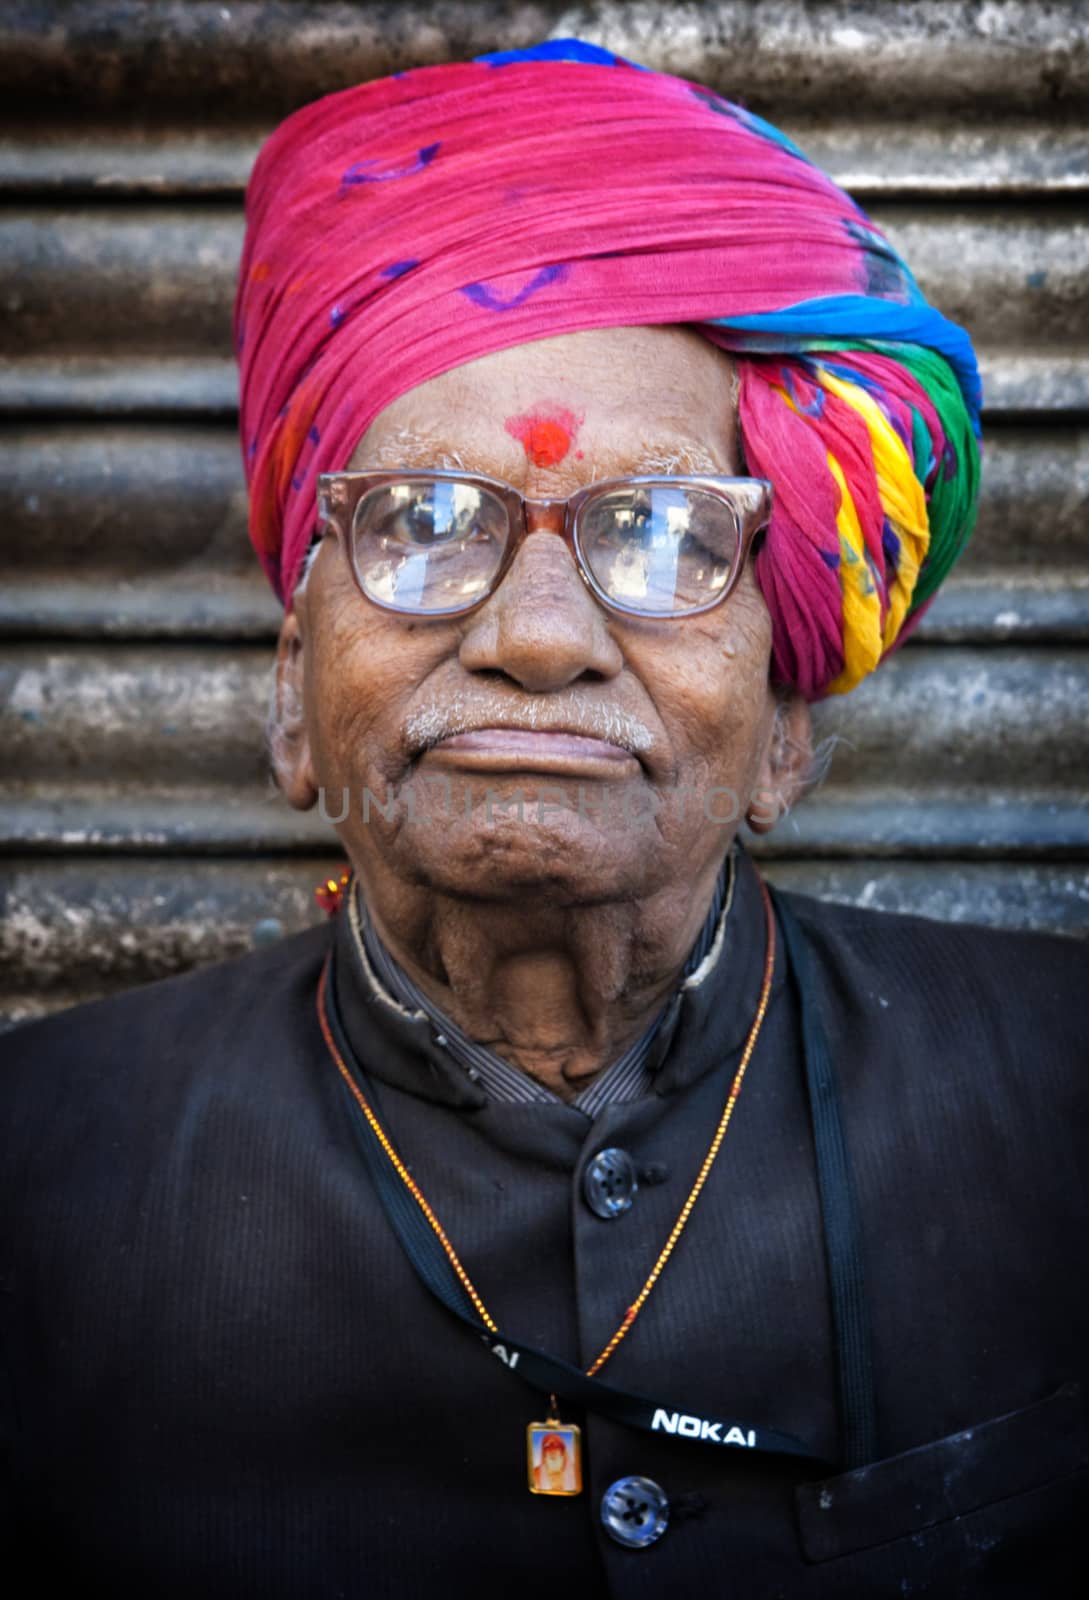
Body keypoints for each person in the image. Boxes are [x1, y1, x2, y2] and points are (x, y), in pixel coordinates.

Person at [1, 38, 1085, 1597]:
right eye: (424, 523)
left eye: (654, 534)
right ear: (294, 695)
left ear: (783, 722)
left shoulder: (1061, 1100)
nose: (540, 636)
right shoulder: (36, 1171)